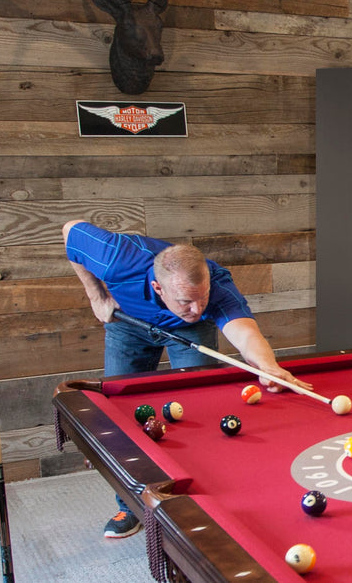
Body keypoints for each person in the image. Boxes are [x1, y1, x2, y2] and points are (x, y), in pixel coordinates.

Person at [63, 219, 309, 538]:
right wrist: (96, 294)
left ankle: (205, 504)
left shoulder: (216, 287)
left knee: (201, 413)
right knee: (121, 415)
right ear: (158, 288)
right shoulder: (118, 257)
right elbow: (71, 232)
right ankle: (129, 503)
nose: (196, 307)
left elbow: (245, 332)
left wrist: (268, 365)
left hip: (191, 333)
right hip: (129, 326)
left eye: (202, 298)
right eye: (185, 301)